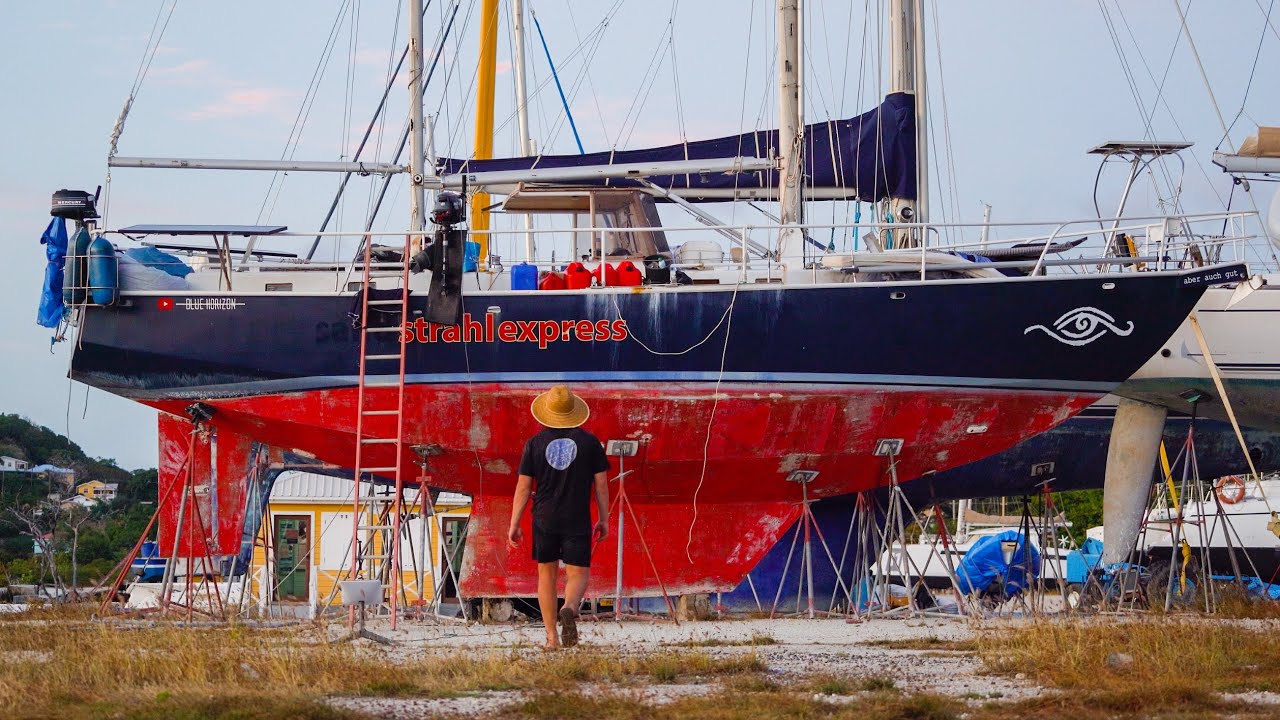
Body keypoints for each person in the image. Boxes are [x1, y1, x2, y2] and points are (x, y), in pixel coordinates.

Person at [507, 385, 610, 649]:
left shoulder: (534, 443)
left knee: (546, 575)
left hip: (544, 516)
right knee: (578, 573)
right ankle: (570, 606)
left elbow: (523, 487)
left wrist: (515, 523)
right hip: (576, 515)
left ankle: (552, 638)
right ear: (574, 411)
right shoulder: (590, 443)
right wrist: (603, 518)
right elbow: (601, 485)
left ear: (547, 412)